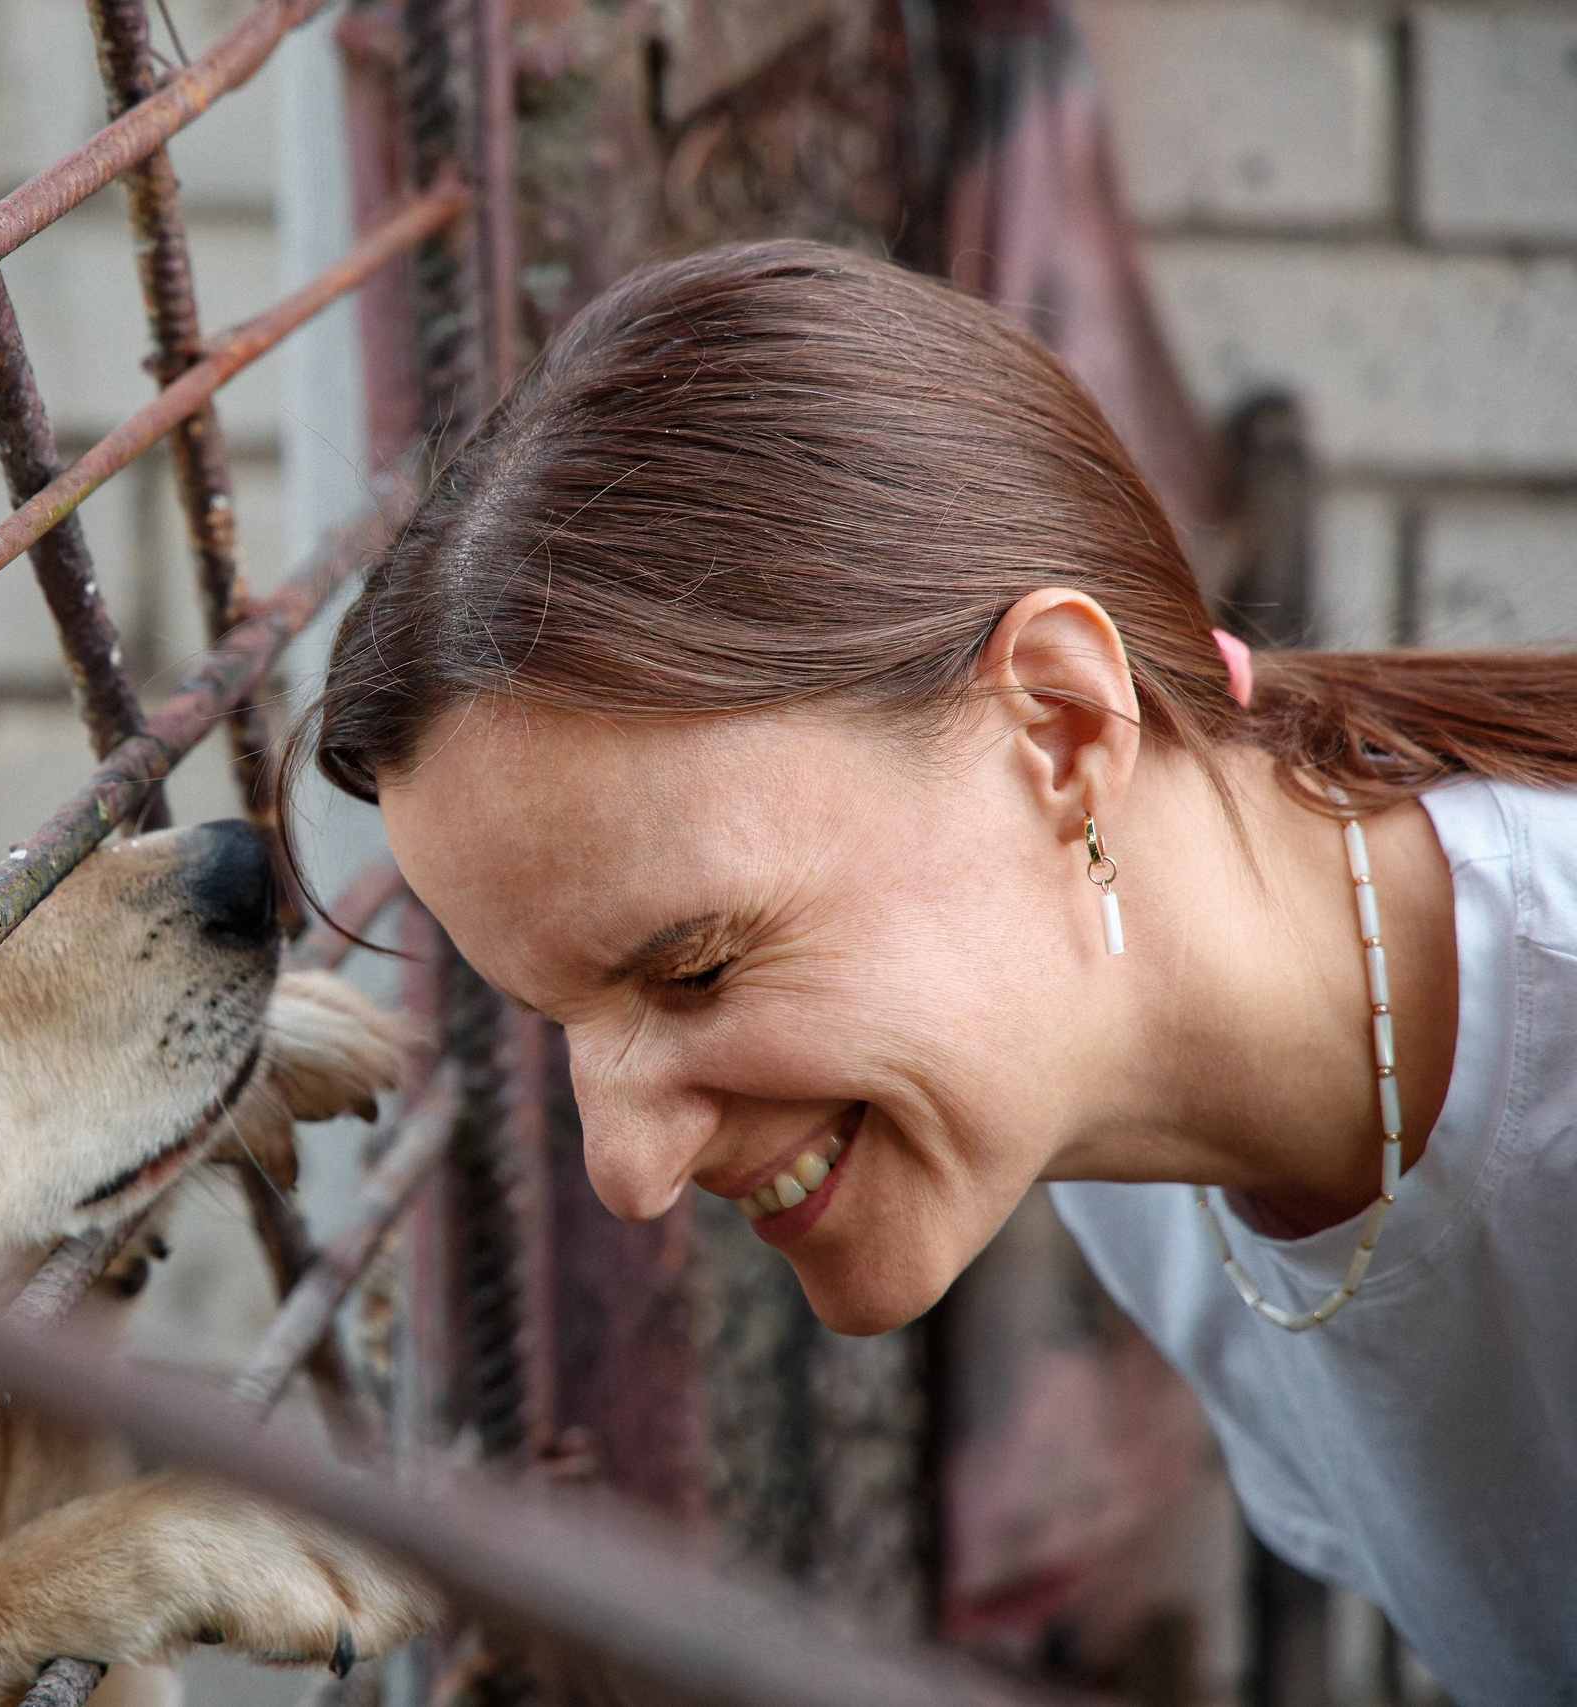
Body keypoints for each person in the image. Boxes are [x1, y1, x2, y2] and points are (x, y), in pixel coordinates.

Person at [288, 240, 1577, 1703]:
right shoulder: (1121, 1138)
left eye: (698, 968)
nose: (629, 1172)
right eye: (557, 1023)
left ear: (1062, 730)